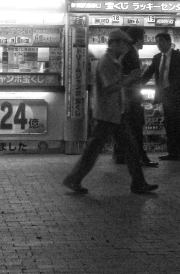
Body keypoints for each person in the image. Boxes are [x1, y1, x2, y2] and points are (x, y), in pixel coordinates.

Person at [62, 29, 159, 195]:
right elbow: (109, 88)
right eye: (124, 43)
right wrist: (129, 79)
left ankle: (138, 183)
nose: (127, 47)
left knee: (129, 149)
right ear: (116, 43)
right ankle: (74, 179)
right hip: (107, 115)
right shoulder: (107, 62)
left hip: (114, 114)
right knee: (95, 151)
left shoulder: (113, 61)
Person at [141, 32, 180, 161]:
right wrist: (137, 83)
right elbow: (149, 73)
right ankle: (171, 152)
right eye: (157, 42)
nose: (159, 44)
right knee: (169, 124)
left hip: (177, 96)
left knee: (179, 125)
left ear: (169, 42)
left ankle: (178, 152)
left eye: (162, 41)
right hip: (165, 96)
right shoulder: (157, 58)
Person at [114, 26, 157, 167]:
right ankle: (140, 156)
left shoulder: (127, 52)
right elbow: (132, 76)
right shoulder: (131, 53)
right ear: (138, 39)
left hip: (126, 97)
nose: (144, 41)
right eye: (143, 38)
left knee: (128, 128)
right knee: (136, 128)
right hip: (131, 98)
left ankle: (122, 155)